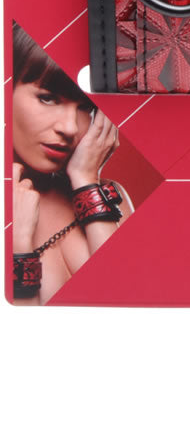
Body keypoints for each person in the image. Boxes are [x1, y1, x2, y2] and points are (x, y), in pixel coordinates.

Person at [11, 24, 133, 304]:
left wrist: (85, 180)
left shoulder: (110, 195)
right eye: (47, 98)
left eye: (85, 106)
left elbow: (129, 301)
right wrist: (18, 242)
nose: (69, 127)